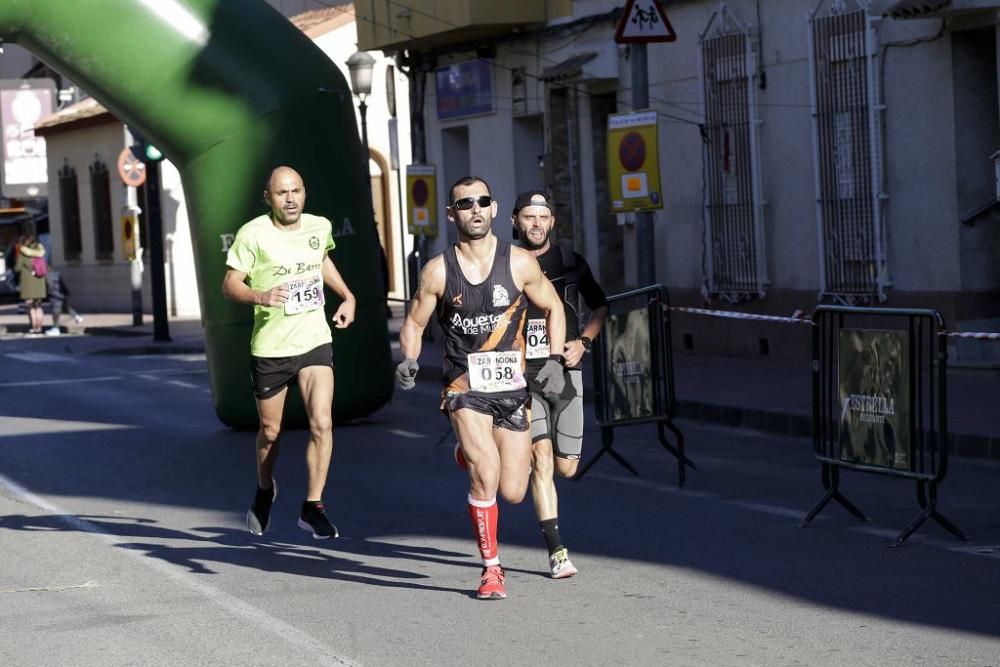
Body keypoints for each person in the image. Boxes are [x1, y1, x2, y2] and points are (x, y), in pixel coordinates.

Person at [395, 176, 567, 600]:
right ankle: (492, 570)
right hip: (463, 385)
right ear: (452, 214)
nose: (475, 208)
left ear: (493, 210)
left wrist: (558, 361)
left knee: (512, 489)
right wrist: (411, 359)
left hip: (511, 386)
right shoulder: (438, 271)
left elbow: (553, 306)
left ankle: (464, 451)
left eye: (482, 201)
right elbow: (415, 323)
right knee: (485, 473)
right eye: (465, 203)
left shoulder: (521, 263)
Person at [222, 165, 356, 541]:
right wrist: (259, 295)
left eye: (296, 191)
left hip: (314, 339)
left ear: (304, 193)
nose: (290, 199)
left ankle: (313, 505)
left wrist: (346, 295)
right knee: (270, 431)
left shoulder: (319, 227)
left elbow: (322, 262)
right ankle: (265, 488)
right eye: (282, 193)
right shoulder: (253, 234)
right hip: (271, 347)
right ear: (269, 198)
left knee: (322, 423)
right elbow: (229, 284)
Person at [511, 190, 608, 579]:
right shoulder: (506, 263)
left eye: (543, 217)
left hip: (565, 373)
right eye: (529, 217)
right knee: (542, 460)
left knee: (567, 469)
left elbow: (601, 304)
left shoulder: (569, 262)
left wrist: (583, 342)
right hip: (523, 375)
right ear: (516, 220)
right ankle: (557, 551)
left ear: (552, 222)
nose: (536, 224)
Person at [14, 234, 47, 334]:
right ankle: (40, 327)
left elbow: (17, 268)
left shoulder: (23, 254)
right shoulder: (40, 252)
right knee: (39, 306)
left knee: (30, 306)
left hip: (28, 284)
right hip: (40, 283)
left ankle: (34, 327)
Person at [44, 267, 83, 336]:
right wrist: (66, 293)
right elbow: (63, 284)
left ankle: (55, 328)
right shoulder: (57, 275)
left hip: (55, 296)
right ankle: (76, 316)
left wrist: (49, 294)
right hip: (62, 295)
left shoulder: (48, 276)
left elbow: (50, 287)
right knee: (65, 308)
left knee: (56, 312)